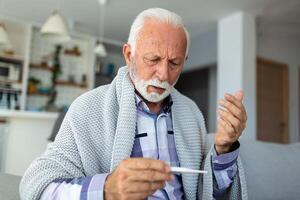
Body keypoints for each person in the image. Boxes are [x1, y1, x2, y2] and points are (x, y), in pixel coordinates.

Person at [20, 8, 247, 200]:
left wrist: (224, 148)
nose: (163, 74)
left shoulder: (191, 113)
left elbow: (212, 192)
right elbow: (36, 185)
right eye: (153, 59)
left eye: (174, 63)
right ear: (129, 55)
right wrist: (107, 189)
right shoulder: (88, 108)